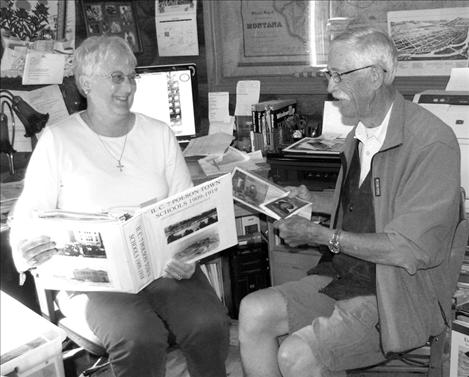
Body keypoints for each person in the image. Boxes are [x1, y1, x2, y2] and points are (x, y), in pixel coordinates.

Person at [238, 26, 461, 377]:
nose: (330, 87)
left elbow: (410, 249)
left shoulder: (433, 143)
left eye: (339, 75)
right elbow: (367, 210)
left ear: (375, 77)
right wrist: (315, 208)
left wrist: (320, 235)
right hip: (344, 276)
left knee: (295, 355)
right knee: (252, 311)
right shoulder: (357, 135)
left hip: (396, 293)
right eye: (330, 74)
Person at [9, 35, 230, 377]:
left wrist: (189, 255)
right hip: (93, 281)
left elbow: (187, 209)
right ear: (85, 83)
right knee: (139, 336)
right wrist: (27, 248)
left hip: (162, 269)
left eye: (131, 76)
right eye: (116, 77)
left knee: (209, 321)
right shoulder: (58, 140)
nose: (127, 87)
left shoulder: (158, 134)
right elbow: (26, 216)